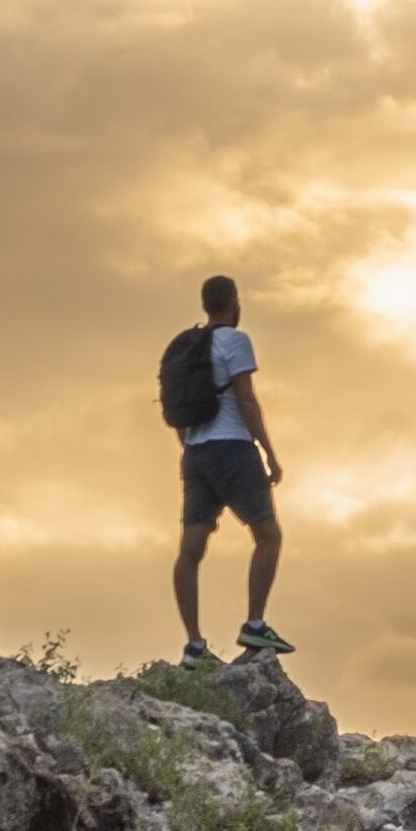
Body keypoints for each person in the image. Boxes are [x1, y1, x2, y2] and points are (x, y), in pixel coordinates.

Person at [172, 273, 288, 662]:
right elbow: (246, 400)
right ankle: (255, 626)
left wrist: (191, 446)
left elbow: (176, 409)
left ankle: (194, 645)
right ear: (234, 302)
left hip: (195, 453)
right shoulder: (235, 341)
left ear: (205, 304)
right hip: (233, 449)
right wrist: (268, 451)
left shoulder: (187, 347)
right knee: (268, 535)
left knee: (190, 549)